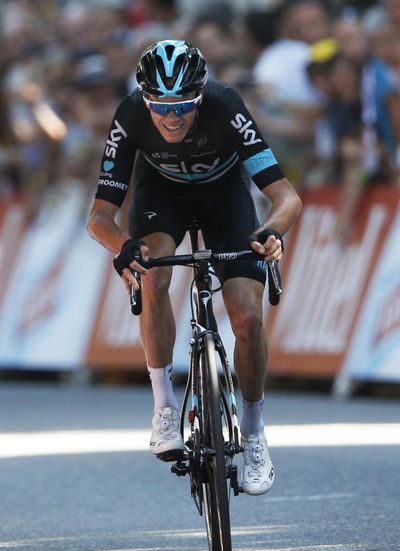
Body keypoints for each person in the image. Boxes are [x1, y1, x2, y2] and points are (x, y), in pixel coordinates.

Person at [87, 40, 302, 496]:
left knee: (247, 316)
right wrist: (122, 246)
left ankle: (254, 429)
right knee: (153, 274)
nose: (172, 116)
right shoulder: (129, 115)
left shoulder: (225, 106)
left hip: (226, 199)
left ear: (200, 94)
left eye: (184, 103)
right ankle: (164, 406)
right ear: (145, 99)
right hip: (159, 197)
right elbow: (99, 217)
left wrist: (273, 230)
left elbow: (287, 197)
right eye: (160, 105)